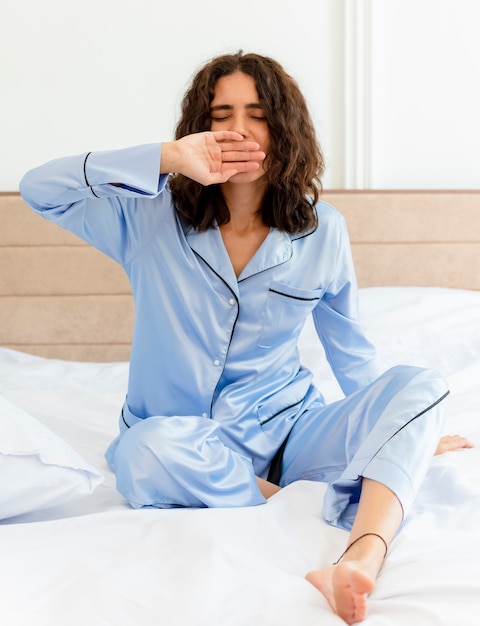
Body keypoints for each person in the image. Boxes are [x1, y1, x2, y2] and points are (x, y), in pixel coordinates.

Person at [19, 51, 473, 624]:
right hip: (182, 442)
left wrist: (402, 427)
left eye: (257, 114)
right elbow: (39, 189)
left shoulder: (322, 229)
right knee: (143, 452)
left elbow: (350, 349)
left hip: (294, 436)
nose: (238, 129)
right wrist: (167, 157)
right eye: (222, 113)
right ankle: (302, 507)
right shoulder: (145, 217)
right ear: (198, 128)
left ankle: (361, 553)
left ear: (284, 128)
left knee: (424, 387)